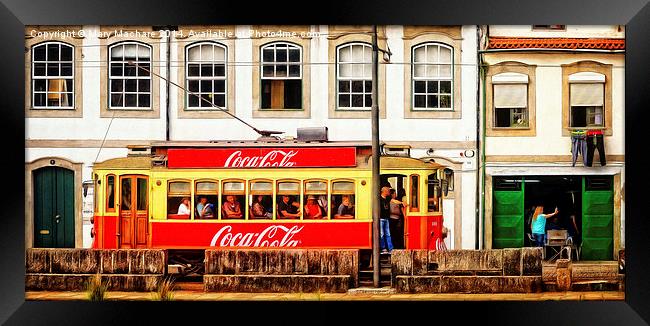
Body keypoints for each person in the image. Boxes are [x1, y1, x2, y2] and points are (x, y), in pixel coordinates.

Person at [379, 186, 393, 253]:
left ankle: (390, 248)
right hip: (381, 219)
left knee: (388, 234)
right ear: (384, 191)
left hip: (386, 218)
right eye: (388, 191)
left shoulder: (387, 198)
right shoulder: (378, 199)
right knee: (382, 234)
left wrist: (402, 203)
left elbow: (393, 201)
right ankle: (383, 248)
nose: (389, 192)